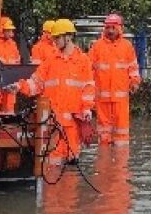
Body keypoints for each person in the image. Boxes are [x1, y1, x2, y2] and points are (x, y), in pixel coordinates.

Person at [14, 19, 95, 165]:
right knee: (53, 166)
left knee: (72, 169)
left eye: (57, 38)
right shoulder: (50, 60)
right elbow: (36, 83)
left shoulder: (83, 61)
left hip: (73, 126)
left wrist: (87, 109)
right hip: (53, 124)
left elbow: (88, 88)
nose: (54, 41)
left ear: (68, 37)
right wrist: (19, 86)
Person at [88, 13, 141, 149]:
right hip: (102, 100)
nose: (110, 31)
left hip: (120, 100)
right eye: (108, 27)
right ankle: (105, 164)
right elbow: (88, 70)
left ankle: (120, 166)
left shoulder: (127, 47)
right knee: (104, 136)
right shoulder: (97, 46)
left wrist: (135, 81)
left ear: (120, 28)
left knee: (121, 137)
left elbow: (133, 67)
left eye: (113, 27)